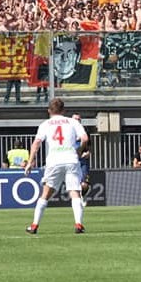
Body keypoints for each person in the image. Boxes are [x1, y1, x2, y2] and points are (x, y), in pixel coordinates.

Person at [24, 98, 89, 234]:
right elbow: (85, 139)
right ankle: (78, 224)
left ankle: (34, 225)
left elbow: (36, 143)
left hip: (54, 161)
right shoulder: (72, 122)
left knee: (45, 194)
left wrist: (30, 162)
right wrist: (79, 150)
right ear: (64, 110)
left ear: (49, 111)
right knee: (75, 192)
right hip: (71, 159)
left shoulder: (45, 124)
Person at [72, 114, 91, 206]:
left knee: (84, 185)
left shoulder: (85, 131)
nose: (77, 120)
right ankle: (77, 200)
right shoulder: (68, 130)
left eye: (78, 119)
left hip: (83, 160)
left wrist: (88, 153)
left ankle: (83, 195)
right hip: (72, 161)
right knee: (74, 184)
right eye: (75, 119)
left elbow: (89, 147)